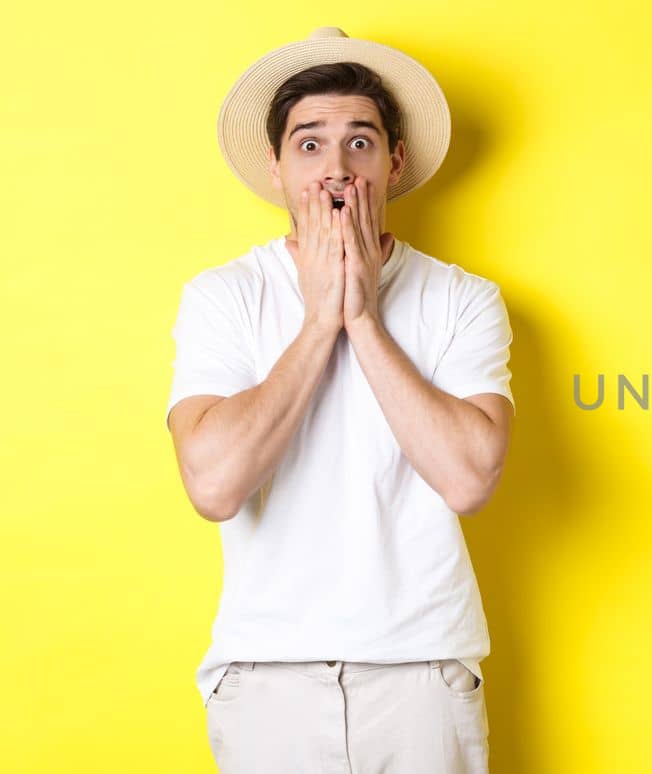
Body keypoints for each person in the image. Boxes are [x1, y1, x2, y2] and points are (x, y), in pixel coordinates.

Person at [165, 27, 511, 773]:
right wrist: (320, 319)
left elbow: (469, 478)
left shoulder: (463, 299)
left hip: (422, 671)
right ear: (278, 167)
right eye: (310, 144)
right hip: (266, 677)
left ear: (395, 161)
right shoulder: (223, 297)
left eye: (360, 143)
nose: (336, 169)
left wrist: (362, 317)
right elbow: (215, 486)